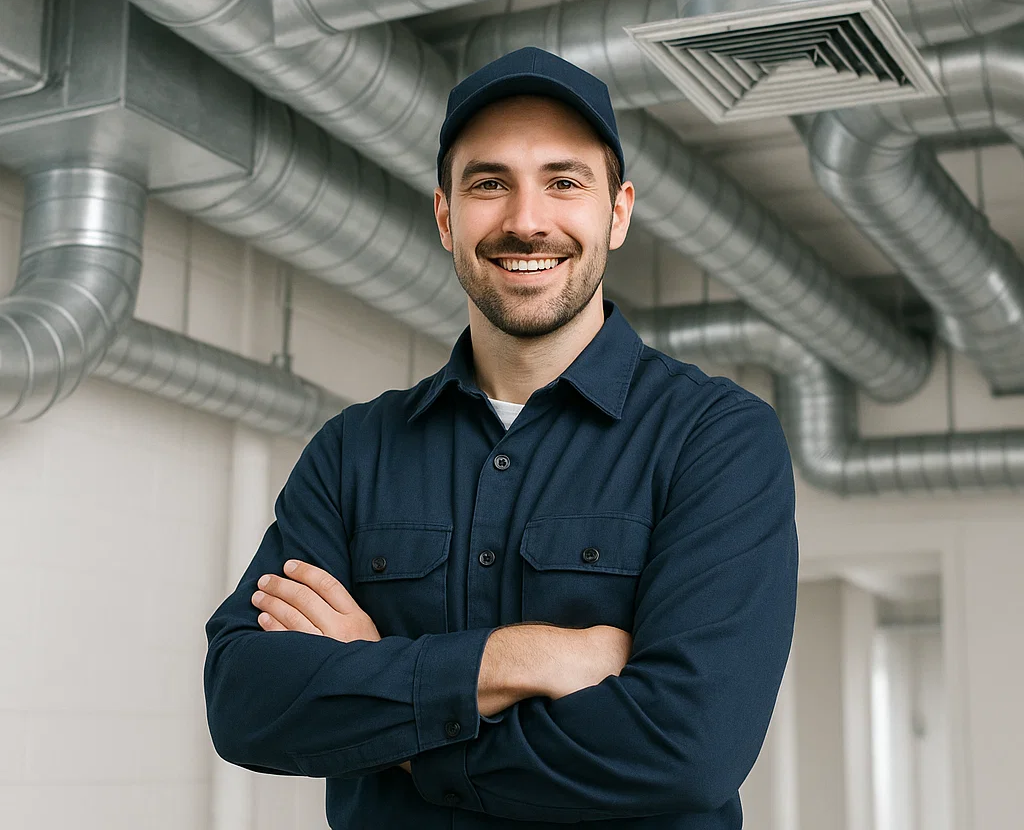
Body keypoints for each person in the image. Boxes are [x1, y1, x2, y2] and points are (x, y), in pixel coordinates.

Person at [204, 46, 799, 828]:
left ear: (616, 212)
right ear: (447, 216)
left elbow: (689, 745)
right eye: (489, 183)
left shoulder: (715, 439)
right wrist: (525, 659)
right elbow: (247, 700)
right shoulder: (355, 451)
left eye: (563, 181)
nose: (526, 220)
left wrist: (395, 713)